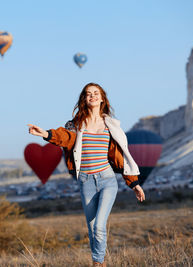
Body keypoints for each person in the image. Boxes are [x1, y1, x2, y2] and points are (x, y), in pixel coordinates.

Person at [27, 82, 145, 267]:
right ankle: (98, 261)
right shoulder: (76, 125)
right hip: (86, 181)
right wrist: (45, 133)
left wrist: (134, 184)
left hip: (107, 179)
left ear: (102, 98)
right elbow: (65, 137)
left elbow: (120, 158)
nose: (93, 96)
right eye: (88, 94)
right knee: (92, 229)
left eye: (96, 93)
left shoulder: (111, 125)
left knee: (99, 226)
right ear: (84, 98)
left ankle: (98, 263)